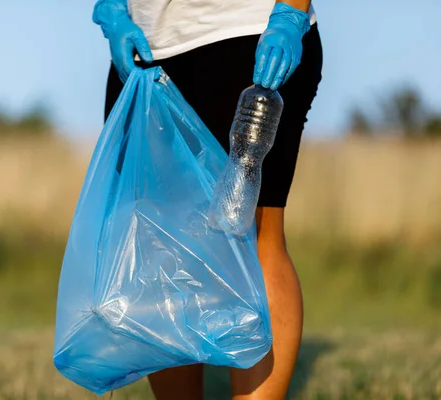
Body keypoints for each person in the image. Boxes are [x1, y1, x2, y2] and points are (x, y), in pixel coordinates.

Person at [92, 0, 323, 398]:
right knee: (160, 246)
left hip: (246, 33)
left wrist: (290, 12)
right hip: (147, 48)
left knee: (256, 237)